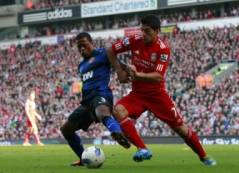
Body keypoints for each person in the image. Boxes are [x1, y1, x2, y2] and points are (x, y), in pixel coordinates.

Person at [107, 15, 216, 166]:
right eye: (142, 30)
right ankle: (143, 149)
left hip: (157, 95)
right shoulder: (134, 39)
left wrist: (137, 74)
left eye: (147, 31)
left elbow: (158, 77)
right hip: (137, 94)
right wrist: (119, 70)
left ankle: (204, 156)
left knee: (181, 129)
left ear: (157, 31)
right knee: (118, 110)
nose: (143, 34)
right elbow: (110, 50)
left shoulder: (163, 50)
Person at [60, 32, 130, 166]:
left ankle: (116, 131)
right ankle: (83, 158)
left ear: (91, 43)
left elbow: (119, 65)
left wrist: (126, 72)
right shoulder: (81, 66)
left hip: (101, 94)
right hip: (87, 102)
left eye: (84, 45)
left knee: (102, 111)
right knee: (66, 129)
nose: (81, 49)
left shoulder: (104, 53)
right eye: (79, 47)